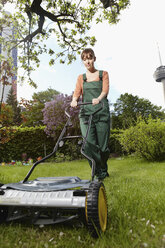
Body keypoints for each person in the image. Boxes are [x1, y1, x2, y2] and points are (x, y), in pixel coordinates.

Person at [70, 48, 110, 180]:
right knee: (88, 145)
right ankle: (98, 172)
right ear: (83, 61)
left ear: (94, 58)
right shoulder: (81, 78)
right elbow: (76, 93)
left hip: (101, 112)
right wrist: (74, 100)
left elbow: (105, 90)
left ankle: (103, 169)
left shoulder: (103, 74)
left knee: (103, 148)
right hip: (86, 114)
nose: (88, 61)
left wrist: (98, 98)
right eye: (85, 59)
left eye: (90, 58)